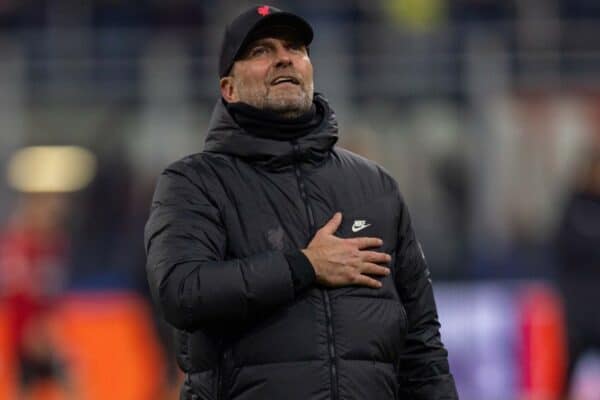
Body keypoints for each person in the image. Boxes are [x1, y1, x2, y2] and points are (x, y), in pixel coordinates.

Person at [145, 5, 458, 400]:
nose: (283, 58)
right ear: (229, 88)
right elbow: (182, 292)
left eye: (295, 48)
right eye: (260, 51)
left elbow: (422, 344)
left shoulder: (375, 185)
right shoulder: (194, 183)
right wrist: (305, 265)